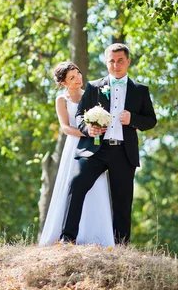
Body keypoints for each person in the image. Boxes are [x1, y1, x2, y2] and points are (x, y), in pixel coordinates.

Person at [60, 44, 157, 245]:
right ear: (106, 62)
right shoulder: (95, 87)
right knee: (76, 185)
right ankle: (67, 239)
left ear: (128, 61)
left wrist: (132, 119)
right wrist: (88, 129)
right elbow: (79, 115)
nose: (116, 65)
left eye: (120, 60)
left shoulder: (140, 90)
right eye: (111, 61)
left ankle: (121, 246)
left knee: (122, 202)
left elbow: (150, 120)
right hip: (96, 149)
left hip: (124, 152)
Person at [39, 62, 114, 247]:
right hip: (74, 144)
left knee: (95, 186)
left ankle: (96, 234)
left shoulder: (92, 93)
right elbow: (65, 127)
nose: (78, 79)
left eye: (78, 73)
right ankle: (65, 233)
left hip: (93, 145)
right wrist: (87, 131)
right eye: (72, 77)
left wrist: (97, 128)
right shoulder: (61, 100)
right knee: (72, 186)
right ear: (64, 82)